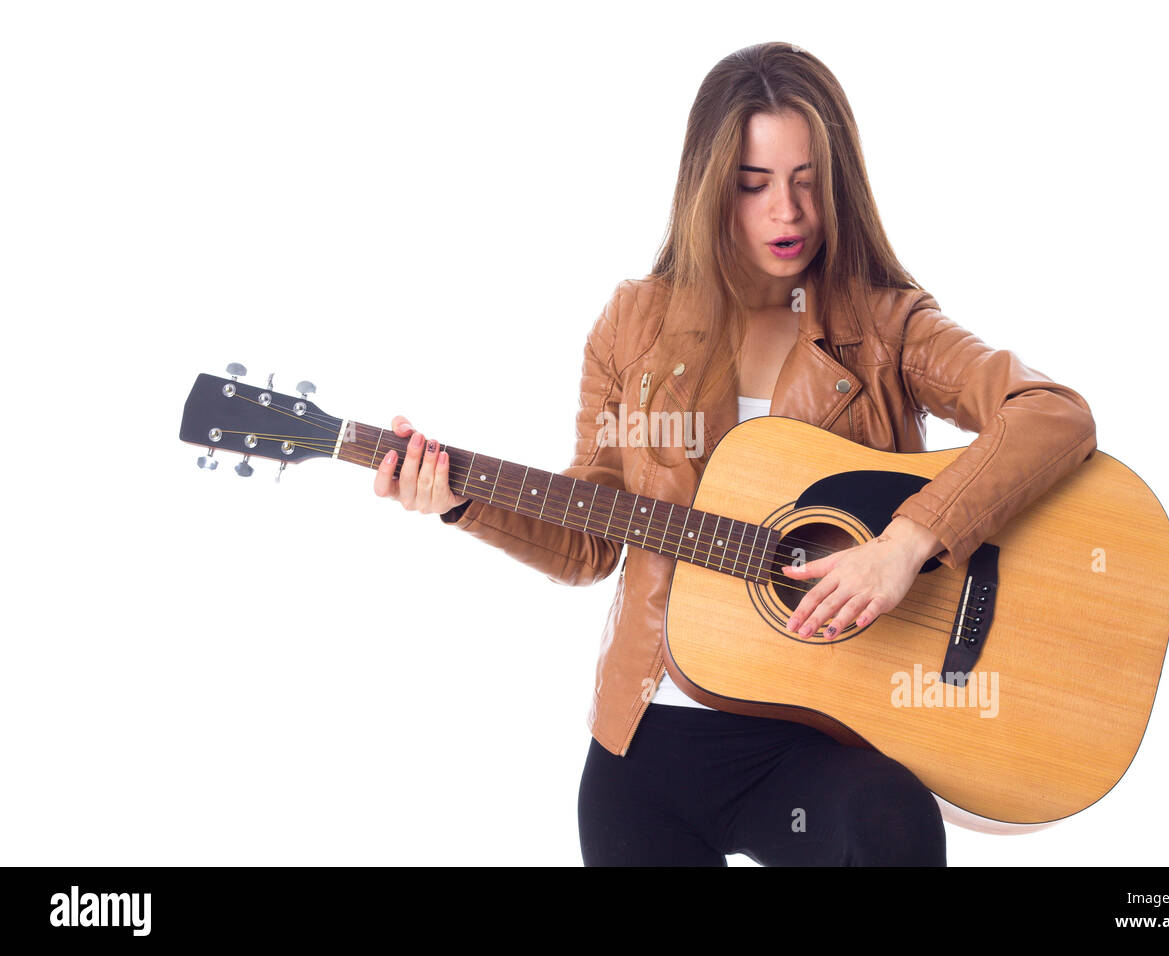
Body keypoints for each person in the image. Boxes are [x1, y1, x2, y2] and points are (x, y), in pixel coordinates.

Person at [371, 42, 1097, 866]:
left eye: (806, 180)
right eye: (754, 185)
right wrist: (459, 499)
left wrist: (905, 544)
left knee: (890, 822)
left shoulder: (887, 328)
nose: (785, 213)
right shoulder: (634, 326)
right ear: (712, 188)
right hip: (648, 743)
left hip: (821, 736)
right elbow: (589, 541)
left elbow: (1050, 413)